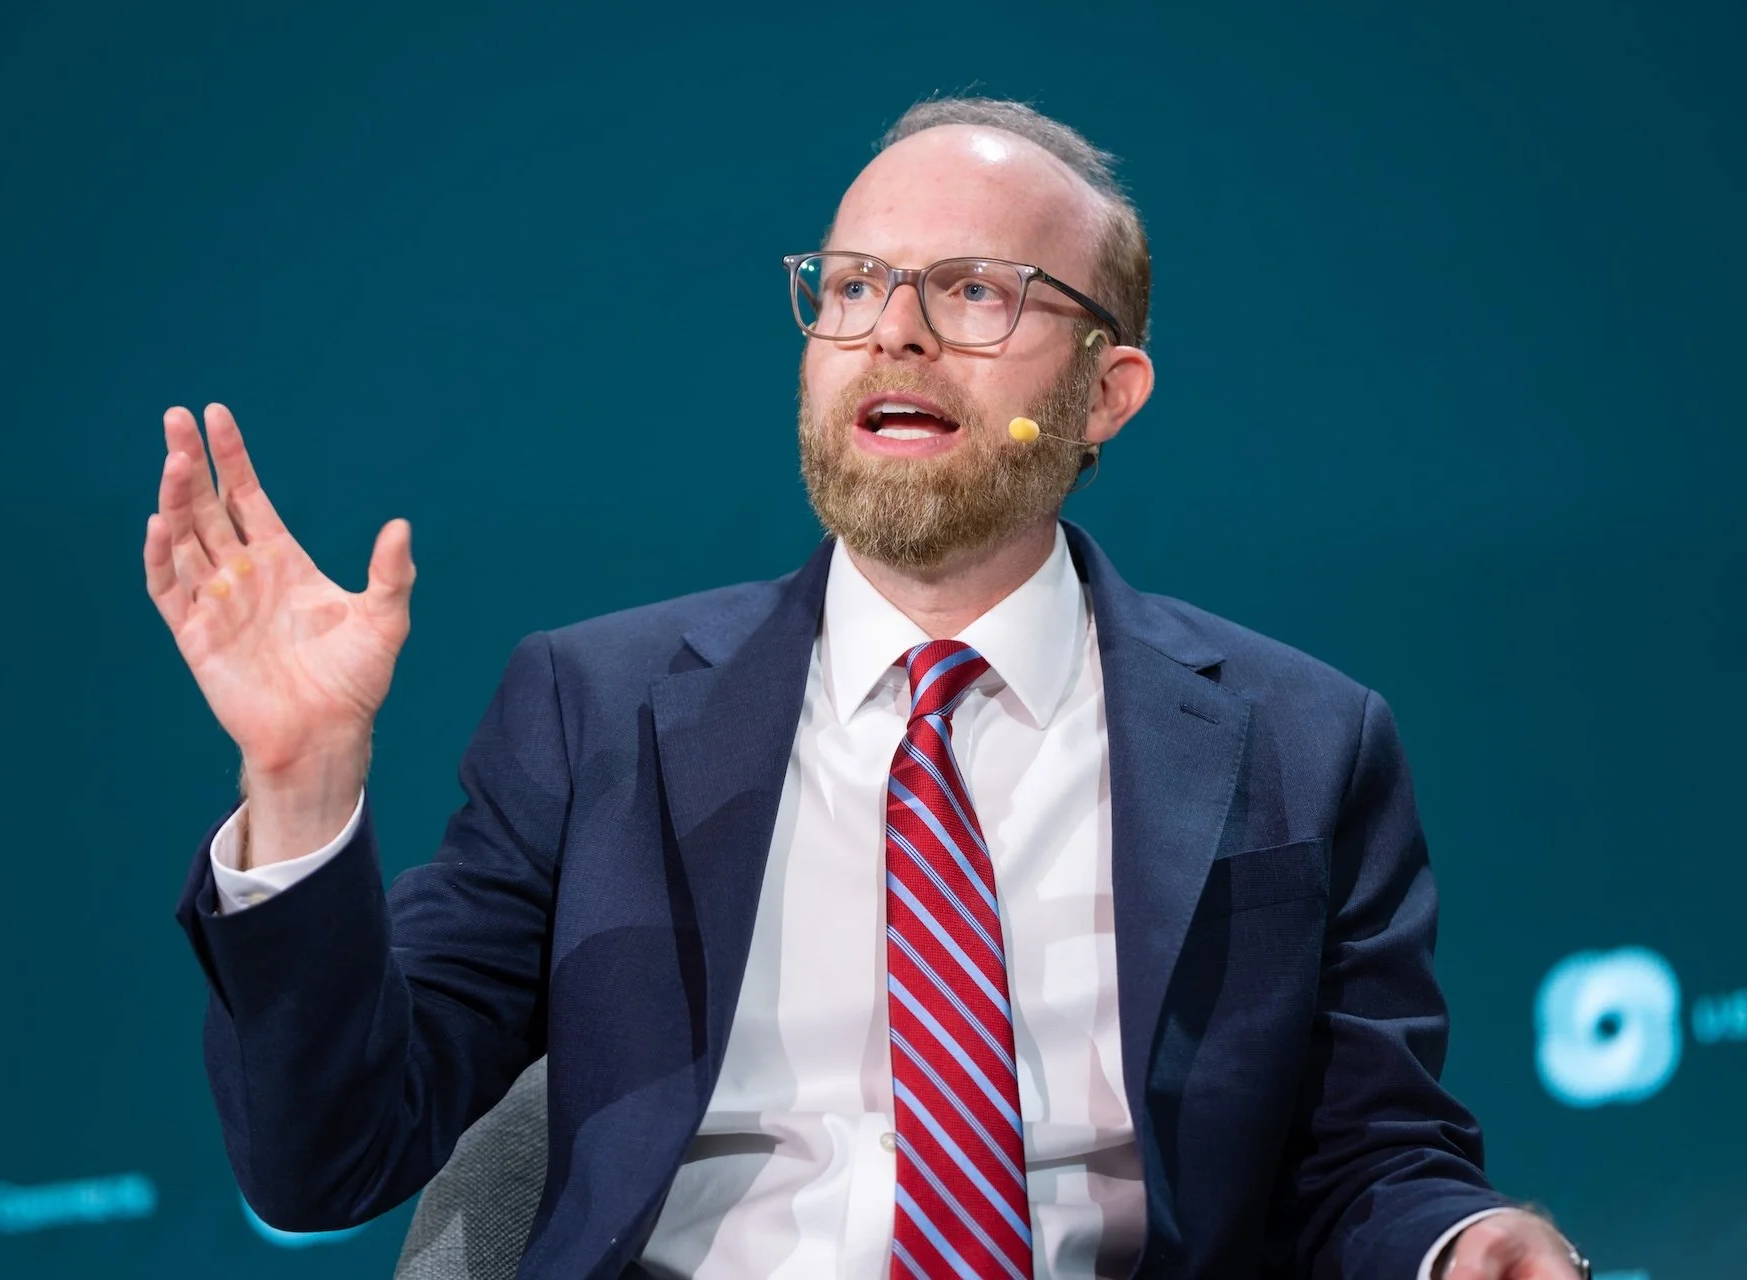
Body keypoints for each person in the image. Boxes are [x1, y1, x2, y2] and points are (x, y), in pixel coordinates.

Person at [146, 99, 1590, 1280]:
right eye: (850, 287)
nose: (892, 332)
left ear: (1108, 392)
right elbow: (327, 1158)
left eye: (975, 291)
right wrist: (301, 782)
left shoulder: (1301, 741)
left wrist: (1459, 1243)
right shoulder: (596, 710)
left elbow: (1369, 1159)